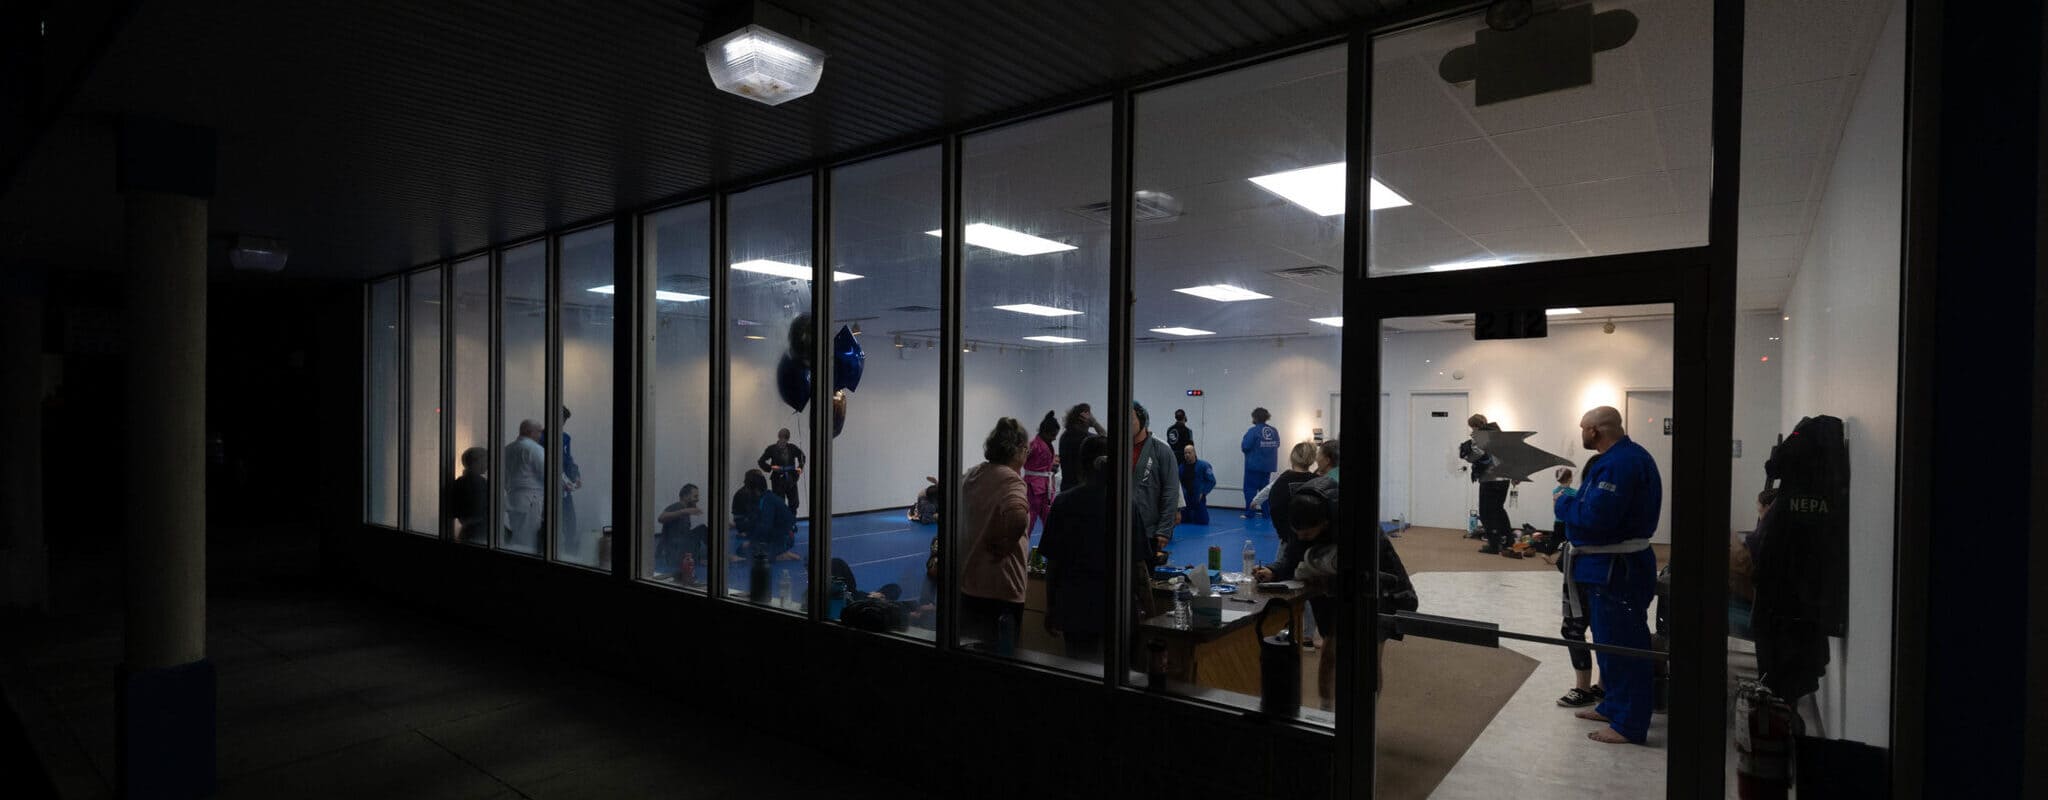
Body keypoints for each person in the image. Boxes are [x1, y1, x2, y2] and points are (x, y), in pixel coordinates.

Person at [1554, 405, 1662, 744]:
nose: (1581, 433)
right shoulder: (1615, 460)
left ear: (1595, 431)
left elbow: (1596, 519)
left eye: (1583, 428)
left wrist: (1562, 503)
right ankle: (1613, 705)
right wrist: (1576, 503)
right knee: (1608, 645)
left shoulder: (1622, 463)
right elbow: (1593, 509)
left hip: (1617, 570)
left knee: (1624, 645)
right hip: (1603, 568)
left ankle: (1630, 724)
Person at [1038, 435, 1148, 660]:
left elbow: (1053, 566)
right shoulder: (1126, 505)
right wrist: (1149, 611)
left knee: (1080, 676)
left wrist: (1051, 608)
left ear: (1082, 465)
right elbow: (1139, 568)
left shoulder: (1063, 503)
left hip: (1076, 608)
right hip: (1117, 607)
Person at [958, 417, 1034, 649]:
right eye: (1026, 449)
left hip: (970, 583)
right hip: (1003, 587)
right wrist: (1008, 543)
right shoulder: (1011, 480)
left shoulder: (973, 474)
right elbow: (1019, 515)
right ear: (1019, 450)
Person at [1547, 465, 1601, 708]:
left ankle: (1584, 688)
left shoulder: (1586, 499)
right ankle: (1601, 686)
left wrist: (1563, 506)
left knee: (1575, 628)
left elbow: (1577, 519)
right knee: (1600, 628)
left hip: (1593, 571)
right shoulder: (1584, 496)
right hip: (1594, 568)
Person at [1130, 402, 1181, 566]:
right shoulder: (1115, 449)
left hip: (1149, 530)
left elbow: (1171, 492)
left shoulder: (1161, 451)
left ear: (1142, 420)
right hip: (1119, 526)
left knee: (1145, 580)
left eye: (1130, 419)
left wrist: (1164, 530)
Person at [1461, 414, 1516, 556]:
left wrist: (1466, 454)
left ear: (1476, 426)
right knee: (1498, 509)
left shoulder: (1481, 437)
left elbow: (1475, 457)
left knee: (1486, 512)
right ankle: (1509, 541)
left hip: (1490, 479)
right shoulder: (1500, 435)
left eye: (1472, 427)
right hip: (1504, 479)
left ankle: (1493, 544)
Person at [1253, 442, 1322, 547]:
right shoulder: (1317, 481)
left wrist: (1256, 500)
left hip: (1288, 539)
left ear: (1292, 458)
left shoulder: (1282, 481)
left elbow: (1275, 507)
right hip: (1314, 540)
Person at [502, 419, 548, 551]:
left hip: (513, 498)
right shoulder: (535, 449)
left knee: (517, 535)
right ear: (530, 432)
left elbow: (503, 476)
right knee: (529, 539)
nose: (541, 435)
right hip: (531, 499)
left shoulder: (507, 449)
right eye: (539, 431)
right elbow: (547, 473)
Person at [655, 484, 707, 578]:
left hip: (679, 550)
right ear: (685, 496)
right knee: (702, 529)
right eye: (695, 496)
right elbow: (661, 518)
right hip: (675, 555)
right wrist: (684, 511)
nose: (697, 499)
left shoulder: (685, 509)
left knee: (698, 534)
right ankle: (722, 556)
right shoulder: (678, 506)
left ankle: (698, 559)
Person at [1239, 407, 1280, 518]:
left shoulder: (1253, 431)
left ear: (1254, 418)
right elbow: (1277, 444)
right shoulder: (1273, 431)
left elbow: (1245, 446)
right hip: (1268, 466)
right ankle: (1267, 513)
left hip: (1253, 466)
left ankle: (1250, 513)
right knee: (1265, 491)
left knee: (1250, 490)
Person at [1023, 412, 1060, 535]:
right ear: (1044, 432)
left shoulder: (1048, 445)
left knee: (1051, 521)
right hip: (1033, 488)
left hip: (1047, 487)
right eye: (1053, 435)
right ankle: (1023, 551)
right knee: (1030, 521)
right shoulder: (1033, 445)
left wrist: (1052, 467)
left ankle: (1052, 549)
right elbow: (1020, 458)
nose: (1055, 438)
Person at [1057, 403, 1104, 494]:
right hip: (1082, 490)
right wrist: (1095, 423)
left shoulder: (1064, 437)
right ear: (1084, 418)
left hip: (1066, 489)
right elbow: (1109, 443)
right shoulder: (1087, 439)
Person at [758, 428, 806, 514]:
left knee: (794, 503)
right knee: (779, 503)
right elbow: (761, 461)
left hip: (791, 477)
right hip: (777, 479)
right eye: (782, 438)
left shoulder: (792, 448)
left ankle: (792, 522)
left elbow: (802, 457)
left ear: (788, 439)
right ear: (778, 437)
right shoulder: (771, 449)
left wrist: (800, 467)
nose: (783, 441)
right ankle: (781, 524)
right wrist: (771, 468)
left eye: (785, 439)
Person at [448, 446, 489, 545]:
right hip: (480, 534)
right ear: (477, 462)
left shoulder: (459, 482)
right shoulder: (480, 483)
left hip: (466, 533)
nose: (487, 465)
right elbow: (482, 510)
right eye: (486, 461)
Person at [559, 407, 584, 553]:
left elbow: (569, 461)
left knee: (570, 524)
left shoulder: (565, 438)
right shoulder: (541, 438)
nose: (562, 423)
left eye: (564, 421)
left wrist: (576, 477)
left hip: (565, 490)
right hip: (546, 491)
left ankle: (568, 554)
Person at [729, 469, 768, 562]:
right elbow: (752, 512)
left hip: (746, 520)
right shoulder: (745, 493)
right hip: (744, 521)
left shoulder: (752, 491)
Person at [1178, 444, 1216, 525]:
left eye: (1189, 453)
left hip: (1198, 497)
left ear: (1194, 453)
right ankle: (1189, 514)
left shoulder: (1204, 465)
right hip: (1185, 498)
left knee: (1203, 522)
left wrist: (1203, 492)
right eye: (1185, 453)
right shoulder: (1181, 467)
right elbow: (1177, 482)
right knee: (1183, 521)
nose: (1187, 455)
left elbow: (1212, 481)